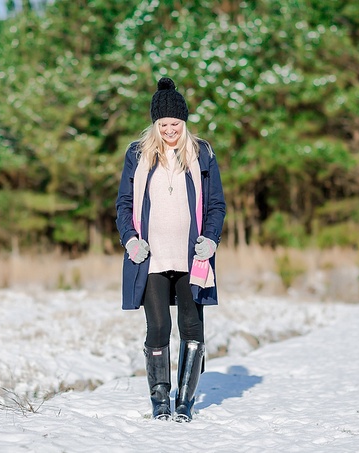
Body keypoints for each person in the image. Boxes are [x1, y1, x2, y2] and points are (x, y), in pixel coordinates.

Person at [115, 77, 226, 422]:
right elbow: (124, 203)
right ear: (154, 124)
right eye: (162, 124)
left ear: (185, 122)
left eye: (175, 124)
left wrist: (210, 239)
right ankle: (160, 401)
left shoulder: (202, 154)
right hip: (152, 258)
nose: (169, 130)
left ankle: (185, 403)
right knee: (159, 329)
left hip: (192, 257)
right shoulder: (137, 154)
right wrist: (130, 239)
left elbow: (216, 206)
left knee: (192, 329)